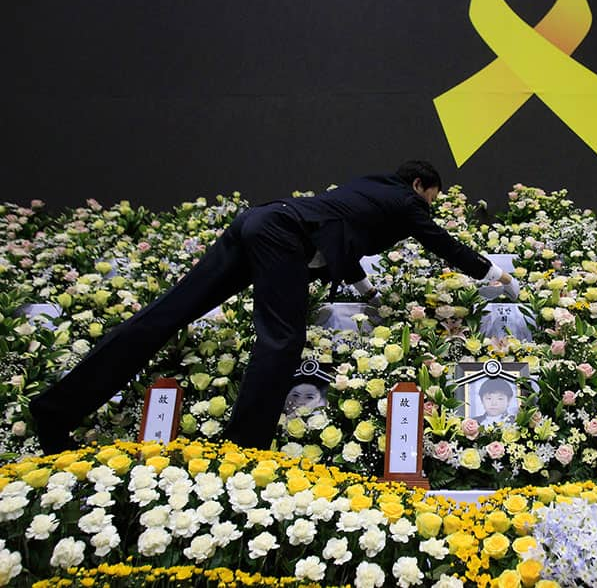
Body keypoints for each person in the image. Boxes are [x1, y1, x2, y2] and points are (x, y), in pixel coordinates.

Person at [30, 160, 520, 453]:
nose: (428, 209)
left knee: (167, 315)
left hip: (259, 221)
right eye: (430, 200)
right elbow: (443, 244)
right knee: (282, 339)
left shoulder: (365, 190)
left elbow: (340, 243)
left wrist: (369, 295)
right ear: (419, 186)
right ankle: (242, 451)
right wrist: (496, 276)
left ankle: (54, 412)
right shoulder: (407, 202)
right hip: (280, 236)